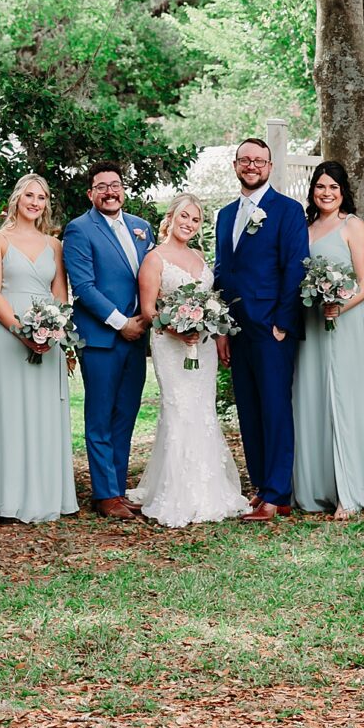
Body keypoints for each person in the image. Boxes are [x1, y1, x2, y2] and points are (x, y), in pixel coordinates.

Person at [128, 194, 249, 526]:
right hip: (171, 345)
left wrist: (207, 325)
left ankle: (209, 487)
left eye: (195, 219)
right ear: (171, 217)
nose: (189, 223)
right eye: (184, 216)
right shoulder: (155, 259)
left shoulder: (199, 256)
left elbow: (210, 301)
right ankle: (178, 492)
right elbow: (149, 310)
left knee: (202, 409)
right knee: (179, 409)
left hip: (204, 346)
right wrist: (177, 330)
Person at [213, 136, 309, 520]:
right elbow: (222, 272)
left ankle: (278, 493)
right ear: (236, 165)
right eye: (244, 160)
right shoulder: (224, 215)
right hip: (237, 330)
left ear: (270, 167)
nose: (251, 165)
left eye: (259, 160)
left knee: (274, 408)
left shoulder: (287, 211)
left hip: (272, 329)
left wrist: (283, 323)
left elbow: (295, 267)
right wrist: (220, 328)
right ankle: (260, 486)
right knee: (249, 410)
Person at [0, 174, 78, 524]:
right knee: (9, 415)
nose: (36, 202)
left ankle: (44, 495)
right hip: (5, 338)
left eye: (42, 197)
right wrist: (22, 332)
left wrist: (53, 333)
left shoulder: (54, 245)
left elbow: (60, 294)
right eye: (29, 195)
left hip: (48, 339)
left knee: (41, 414)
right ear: (17, 198)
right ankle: (4, 500)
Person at [291, 160, 364, 518]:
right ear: (312, 191)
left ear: (343, 191)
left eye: (333, 187)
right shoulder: (305, 228)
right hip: (311, 327)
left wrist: (340, 307)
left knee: (345, 400)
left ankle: (350, 491)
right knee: (313, 399)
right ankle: (316, 489)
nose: (326, 193)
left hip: (343, 325)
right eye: (320, 187)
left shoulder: (353, 226)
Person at [62, 163, 155, 519]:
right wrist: (120, 324)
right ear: (91, 194)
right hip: (103, 337)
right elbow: (83, 288)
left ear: (123, 189)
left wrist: (145, 320)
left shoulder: (141, 228)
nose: (109, 192)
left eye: (114, 185)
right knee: (100, 415)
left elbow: (152, 275)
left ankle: (117, 488)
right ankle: (104, 494)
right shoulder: (79, 230)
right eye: (101, 187)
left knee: (126, 414)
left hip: (137, 336)